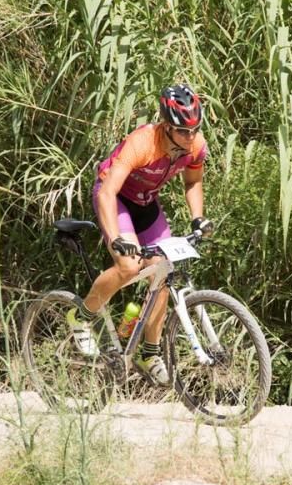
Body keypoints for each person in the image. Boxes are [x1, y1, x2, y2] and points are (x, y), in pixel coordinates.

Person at [65, 83, 214, 385]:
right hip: (116, 198)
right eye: (183, 131)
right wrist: (116, 238)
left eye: (194, 129)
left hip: (146, 203)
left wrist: (198, 219)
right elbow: (108, 191)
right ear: (165, 125)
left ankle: (149, 351)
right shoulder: (142, 142)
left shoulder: (195, 145)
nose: (190, 137)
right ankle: (81, 316)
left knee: (163, 270)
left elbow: (192, 183)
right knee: (128, 265)